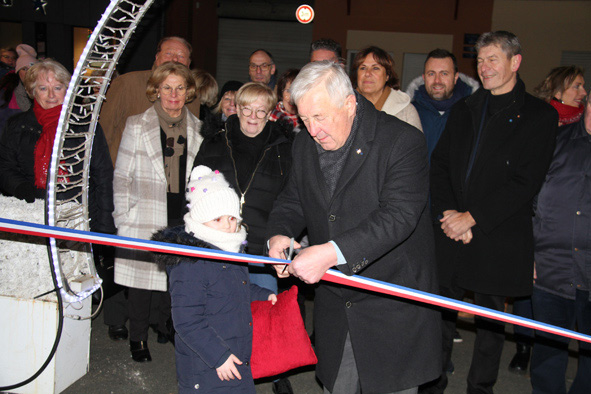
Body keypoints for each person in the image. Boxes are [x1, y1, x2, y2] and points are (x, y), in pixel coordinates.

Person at [266, 61, 441, 394]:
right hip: (337, 306)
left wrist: (330, 254)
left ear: (349, 103)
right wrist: (278, 236)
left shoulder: (402, 141)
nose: (312, 130)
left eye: (320, 117)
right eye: (304, 119)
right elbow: (292, 200)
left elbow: (398, 216)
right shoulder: (304, 144)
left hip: (392, 307)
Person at [428, 31, 558, 394]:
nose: (484, 68)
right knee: (439, 317)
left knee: (489, 325)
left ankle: (480, 388)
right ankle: (432, 383)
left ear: (515, 62)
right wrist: (449, 214)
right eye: (480, 61)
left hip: (497, 233)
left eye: (492, 60)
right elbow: (438, 166)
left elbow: (525, 182)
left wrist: (473, 217)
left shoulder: (539, 115)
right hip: (451, 231)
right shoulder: (464, 109)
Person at [193, 81, 294, 394]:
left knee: (262, 311)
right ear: (235, 108)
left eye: (261, 111)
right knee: (220, 311)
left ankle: (274, 373)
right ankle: (220, 368)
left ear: (269, 114)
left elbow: (291, 196)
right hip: (220, 240)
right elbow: (197, 186)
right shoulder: (215, 140)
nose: (253, 116)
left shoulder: (283, 146)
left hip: (262, 243)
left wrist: (282, 234)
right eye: (247, 108)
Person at [153, 165, 276, 394]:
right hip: (205, 364)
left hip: (236, 351)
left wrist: (263, 295)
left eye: (232, 218)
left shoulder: (230, 251)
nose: (229, 226)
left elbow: (239, 288)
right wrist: (218, 357)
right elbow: (186, 320)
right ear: (200, 221)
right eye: (218, 219)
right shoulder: (190, 263)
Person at [113, 62, 203, 362]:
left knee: (175, 278)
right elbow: (122, 176)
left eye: (179, 88)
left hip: (181, 214)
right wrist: (122, 218)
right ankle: (138, 338)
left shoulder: (199, 128)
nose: (173, 95)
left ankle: (168, 327)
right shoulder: (137, 124)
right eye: (167, 88)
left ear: (188, 91)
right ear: (156, 90)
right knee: (141, 283)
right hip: (144, 212)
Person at [530, 96, 591, 394]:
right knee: (547, 357)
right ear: (588, 101)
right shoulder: (554, 141)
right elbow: (526, 200)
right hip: (549, 270)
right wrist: (527, 254)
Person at [99, 36, 200, 164]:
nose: (174, 59)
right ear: (157, 57)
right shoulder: (127, 83)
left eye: (181, 56)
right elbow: (103, 132)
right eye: (168, 53)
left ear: (188, 64)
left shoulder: (192, 95)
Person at [406, 49, 480, 158]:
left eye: (444, 74)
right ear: (424, 77)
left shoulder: (474, 112)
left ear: (455, 78)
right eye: (431, 74)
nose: (437, 81)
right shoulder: (408, 112)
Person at [351, 46, 423, 131]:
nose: (367, 73)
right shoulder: (342, 106)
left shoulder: (406, 111)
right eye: (363, 68)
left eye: (375, 68)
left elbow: (416, 144)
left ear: (387, 76)